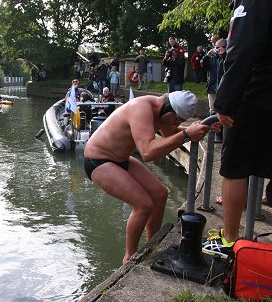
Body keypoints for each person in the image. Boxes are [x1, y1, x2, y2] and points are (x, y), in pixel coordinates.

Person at [202, 0, 272, 260]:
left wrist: (225, 100)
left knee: (234, 166)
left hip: (266, 88)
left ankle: (230, 241)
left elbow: (244, 46)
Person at [84, 91, 212, 264]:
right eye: (176, 119)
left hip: (120, 158)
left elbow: (170, 134)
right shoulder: (141, 108)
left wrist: (201, 128)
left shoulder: (164, 113)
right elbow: (147, 152)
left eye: (180, 121)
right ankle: (129, 259)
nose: (176, 123)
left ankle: (152, 246)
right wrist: (187, 134)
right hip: (98, 160)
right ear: (168, 109)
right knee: (143, 205)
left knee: (160, 194)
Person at [201, 38, 227, 143]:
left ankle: (222, 134)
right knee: (212, 110)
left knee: (223, 111)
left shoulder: (227, 57)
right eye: (215, 47)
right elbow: (203, 66)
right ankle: (215, 134)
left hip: (223, 89)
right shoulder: (211, 57)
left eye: (219, 47)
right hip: (212, 87)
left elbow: (230, 67)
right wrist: (206, 56)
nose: (217, 49)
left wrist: (224, 55)